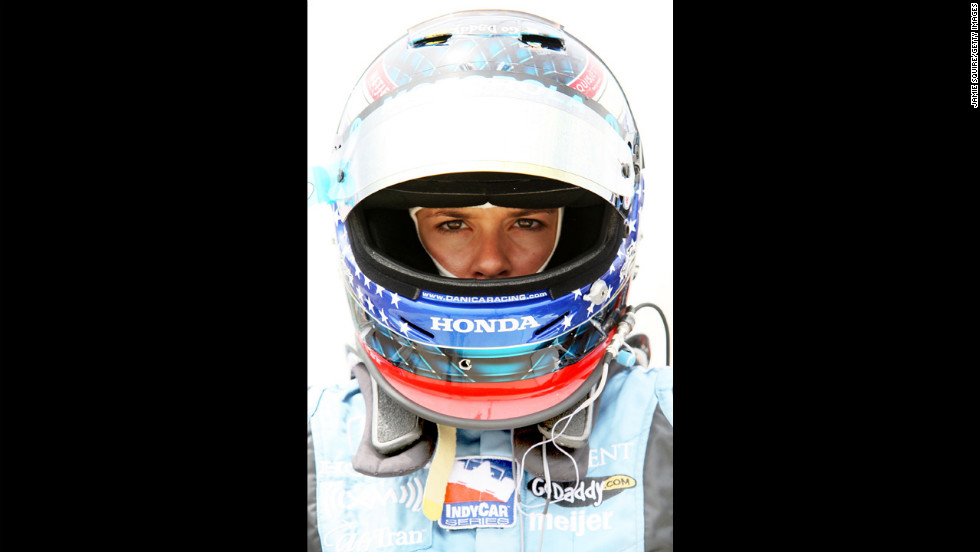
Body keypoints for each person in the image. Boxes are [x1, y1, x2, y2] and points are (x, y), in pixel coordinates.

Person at [307, 10, 672, 551]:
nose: (491, 260)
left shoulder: (659, 422)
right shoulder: (320, 446)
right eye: (453, 224)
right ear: (393, 234)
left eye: (527, 222)